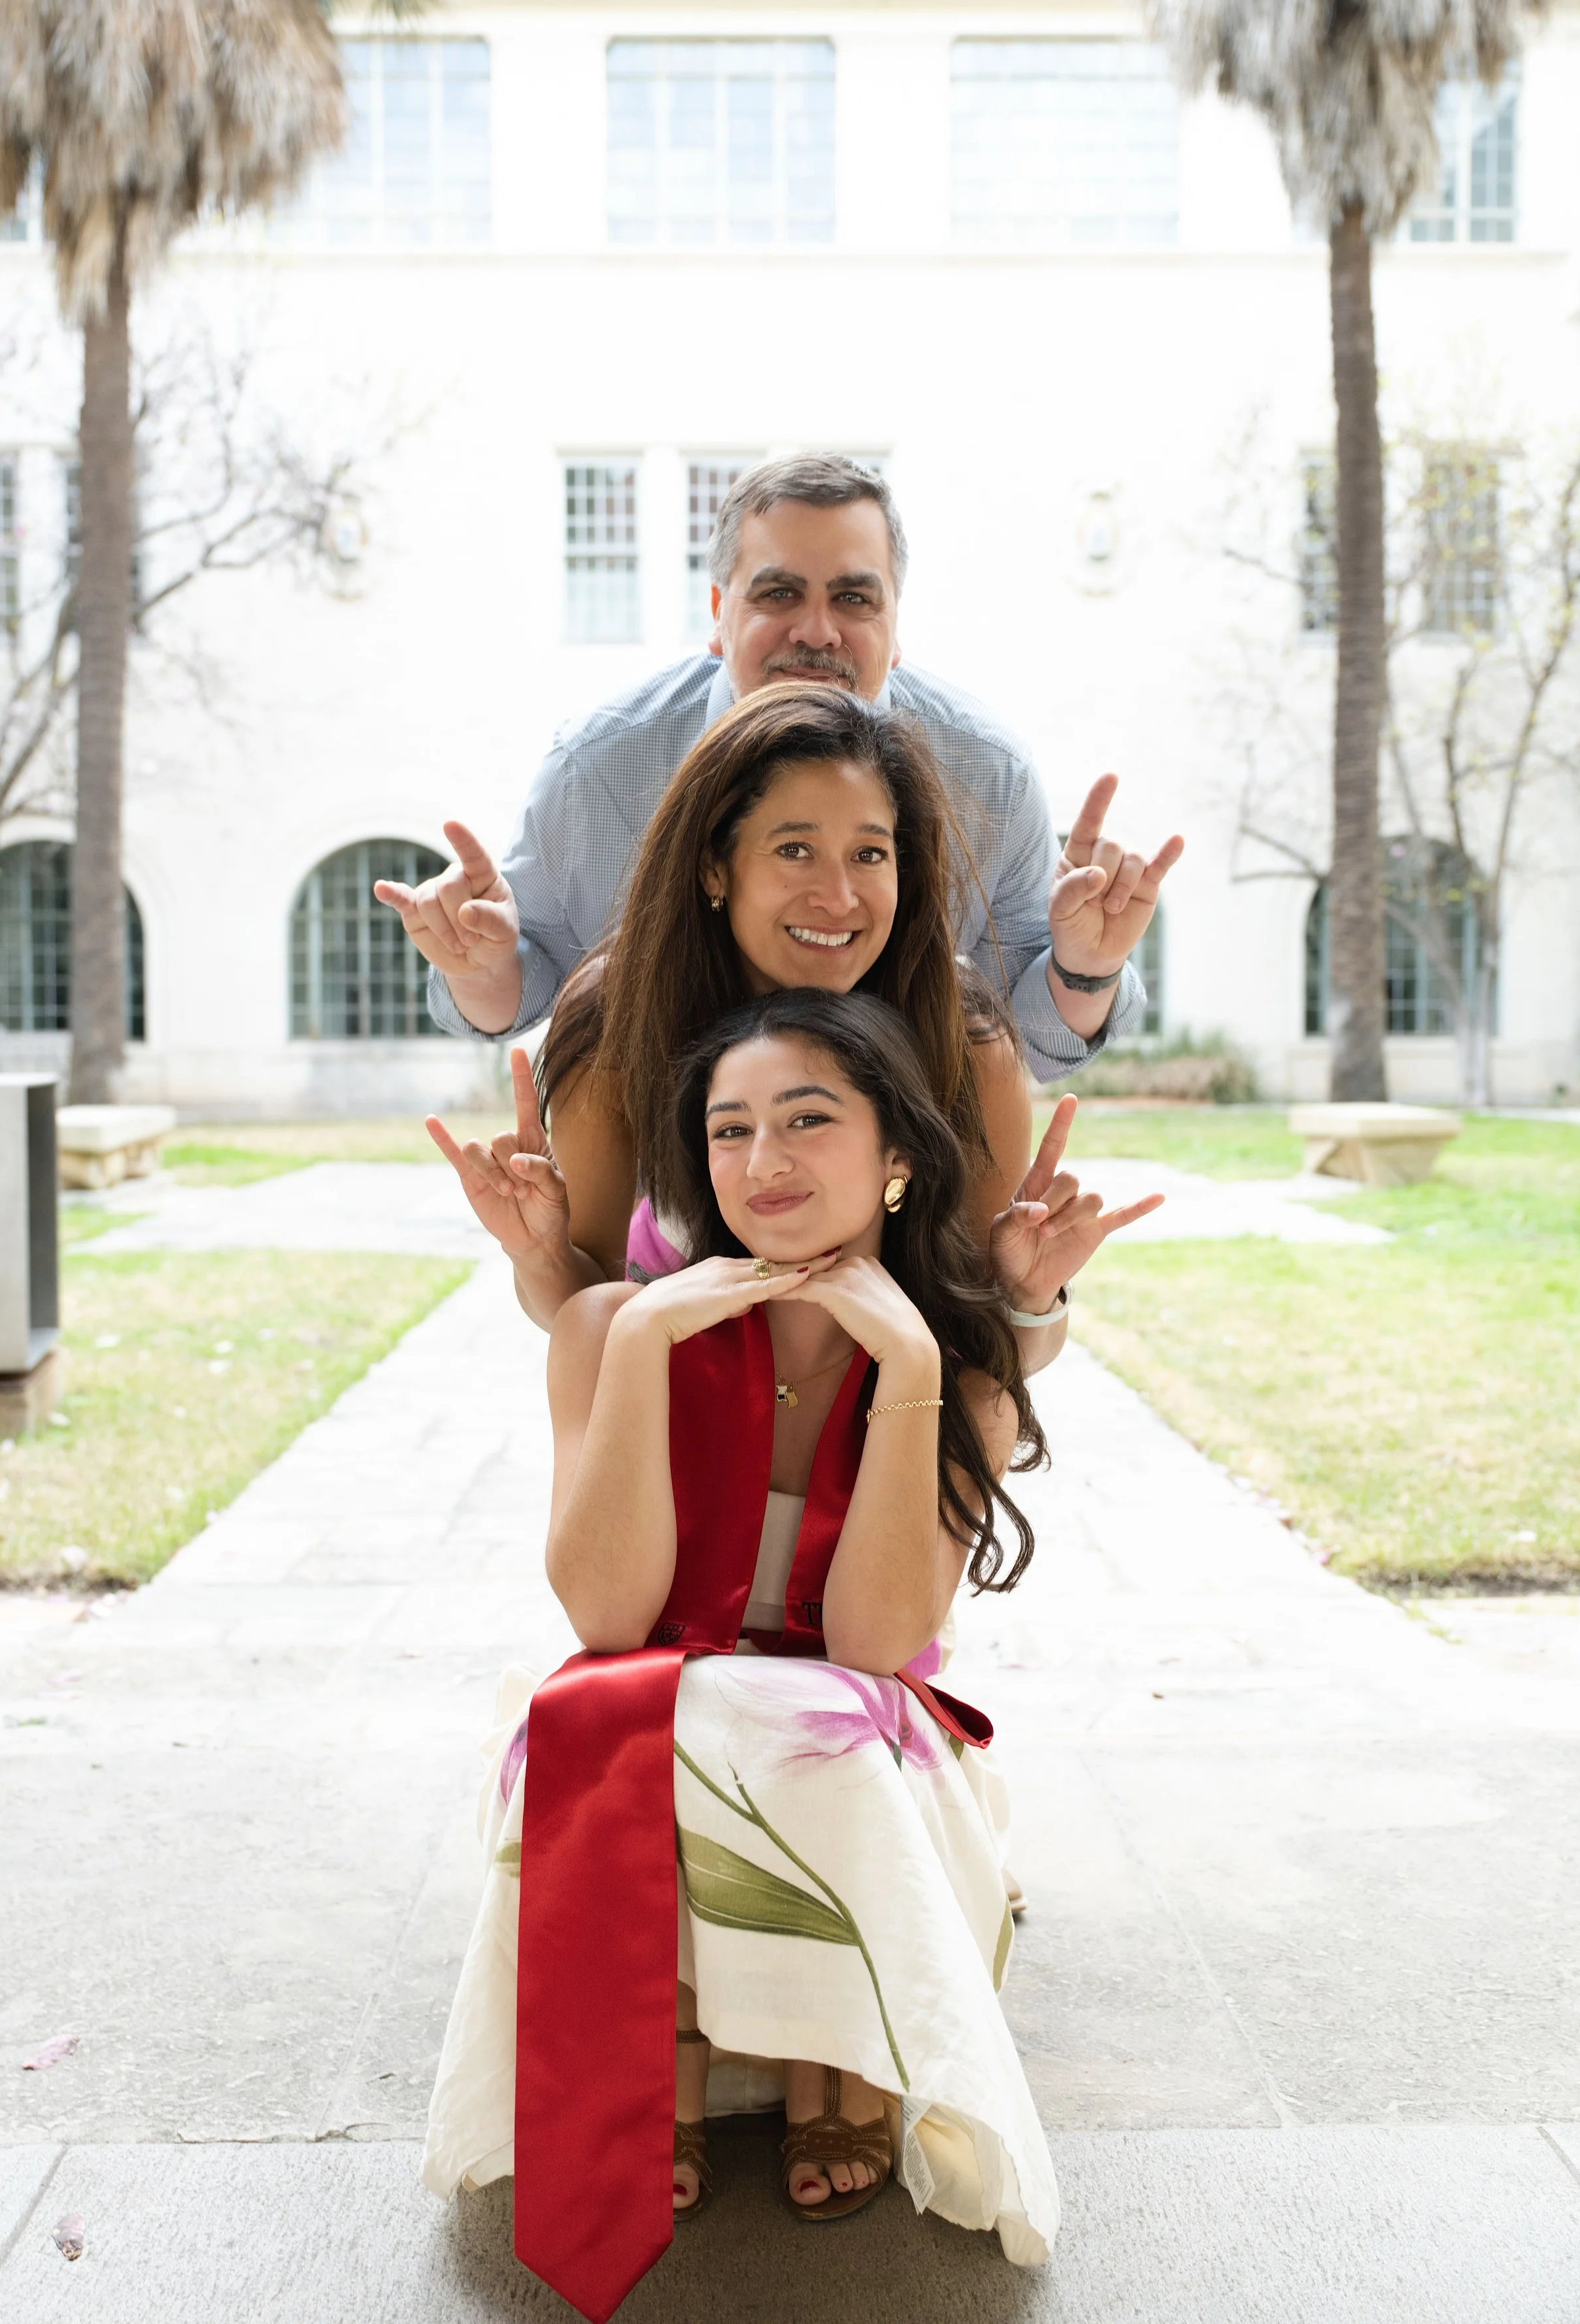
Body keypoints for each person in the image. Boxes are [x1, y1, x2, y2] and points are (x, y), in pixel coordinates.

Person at [422, 991, 1062, 2322]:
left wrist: (906, 1365)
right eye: (728, 1130)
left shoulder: (962, 1367)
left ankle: (819, 2058)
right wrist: (646, 1337)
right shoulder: (614, 1328)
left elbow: (875, 1644)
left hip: (859, 1747)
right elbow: (607, 1617)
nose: (761, 1164)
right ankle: (662, 2045)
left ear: (896, 1158)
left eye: (807, 1121)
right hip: (655, 1720)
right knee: (653, 1706)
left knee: (807, 1717)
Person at [374, 451, 1182, 1083]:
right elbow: (529, 990)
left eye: (855, 600)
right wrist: (483, 968)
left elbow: (1032, 1050)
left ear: (896, 626)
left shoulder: (986, 774)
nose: (819, 632)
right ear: (721, 615)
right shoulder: (598, 764)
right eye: (780, 594)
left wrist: (1088, 966)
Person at [428, 684, 1161, 1360]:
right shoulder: (618, 1023)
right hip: (678, 1454)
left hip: (890, 1460)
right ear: (715, 867)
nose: (838, 896)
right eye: (795, 850)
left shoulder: (964, 1045)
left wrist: (1028, 1297)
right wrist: (540, 1253)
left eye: (869, 854)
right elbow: (584, 1323)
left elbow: (990, 1368)